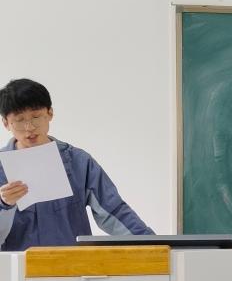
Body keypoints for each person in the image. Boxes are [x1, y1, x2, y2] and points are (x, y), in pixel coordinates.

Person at [0, 78, 154, 250]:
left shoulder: (78, 162)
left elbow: (113, 211)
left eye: (36, 117)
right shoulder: (1, 167)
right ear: (6, 123)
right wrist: (4, 204)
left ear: (50, 113)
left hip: (72, 263)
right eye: (19, 120)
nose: (29, 127)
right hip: (18, 265)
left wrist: (153, 245)